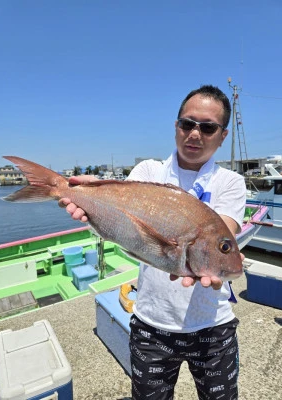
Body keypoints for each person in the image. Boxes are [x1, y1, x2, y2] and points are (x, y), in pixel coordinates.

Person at [60, 85, 246, 400]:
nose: (195, 133)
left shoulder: (230, 182)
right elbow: (125, 227)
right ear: (176, 126)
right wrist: (88, 198)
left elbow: (221, 231)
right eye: (187, 124)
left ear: (223, 134)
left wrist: (215, 252)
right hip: (151, 324)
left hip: (214, 329)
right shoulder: (149, 171)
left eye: (207, 127)